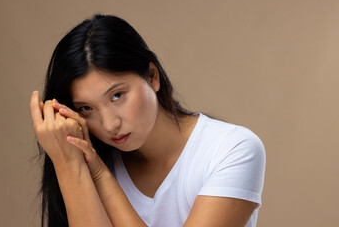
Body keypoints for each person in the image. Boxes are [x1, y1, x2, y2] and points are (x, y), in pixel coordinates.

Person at [30, 14, 266, 227]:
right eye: (86, 108)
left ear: (152, 76)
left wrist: (100, 176)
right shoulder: (90, 161)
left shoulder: (231, 149)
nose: (109, 124)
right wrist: (69, 164)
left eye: (117, 95)